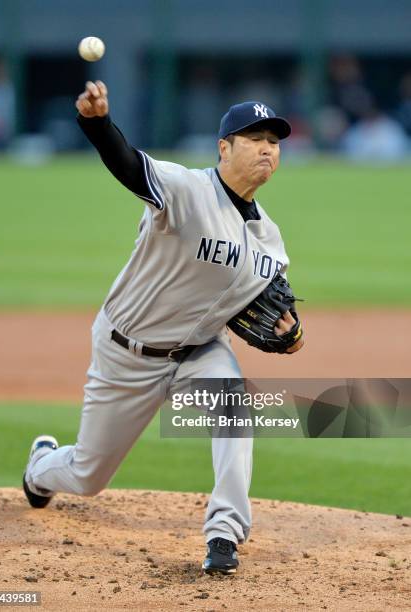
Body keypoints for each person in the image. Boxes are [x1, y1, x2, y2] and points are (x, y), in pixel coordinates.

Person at [23, 80, 304, 575]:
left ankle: (224, 533)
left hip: (199, 352)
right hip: (125, 352)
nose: (266, 148)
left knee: (235, 400)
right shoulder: (184, 189)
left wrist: (290, 334)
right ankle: (40, 469)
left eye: (274, 140)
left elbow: (272, 310)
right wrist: (96, 123)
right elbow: (128, 165)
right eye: (254, 137)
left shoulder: (271, 241)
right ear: (224, 147)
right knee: (88, 475)